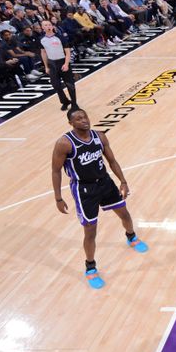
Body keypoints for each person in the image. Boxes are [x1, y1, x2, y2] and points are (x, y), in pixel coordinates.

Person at [51, 108, 148, 289]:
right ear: (71, 123)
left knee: (125, 214)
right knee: (90, 232)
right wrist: (58, 198)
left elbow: (112, 160)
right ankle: (90, 267)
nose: (83, 120)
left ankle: (131, 236)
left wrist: (123, 181)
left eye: (85, 116)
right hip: (84, 189)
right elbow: (55, 171)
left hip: (105, 183)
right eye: (78, 118)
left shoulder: (100, 136)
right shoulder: (64, 143)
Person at [39, 19, 77, 111]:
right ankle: (65, 101)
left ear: (52, 26)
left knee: (70, 84)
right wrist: (46, 66)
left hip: (62, 61)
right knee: (55, 85)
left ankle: (74, 103)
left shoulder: (60, 37)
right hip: (52, 63)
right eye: (45, 25)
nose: (48, 26)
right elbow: (43, 53)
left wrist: (66, 64)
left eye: (49, 25)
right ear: (42, 27)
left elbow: (67, 52)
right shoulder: (41, 39)